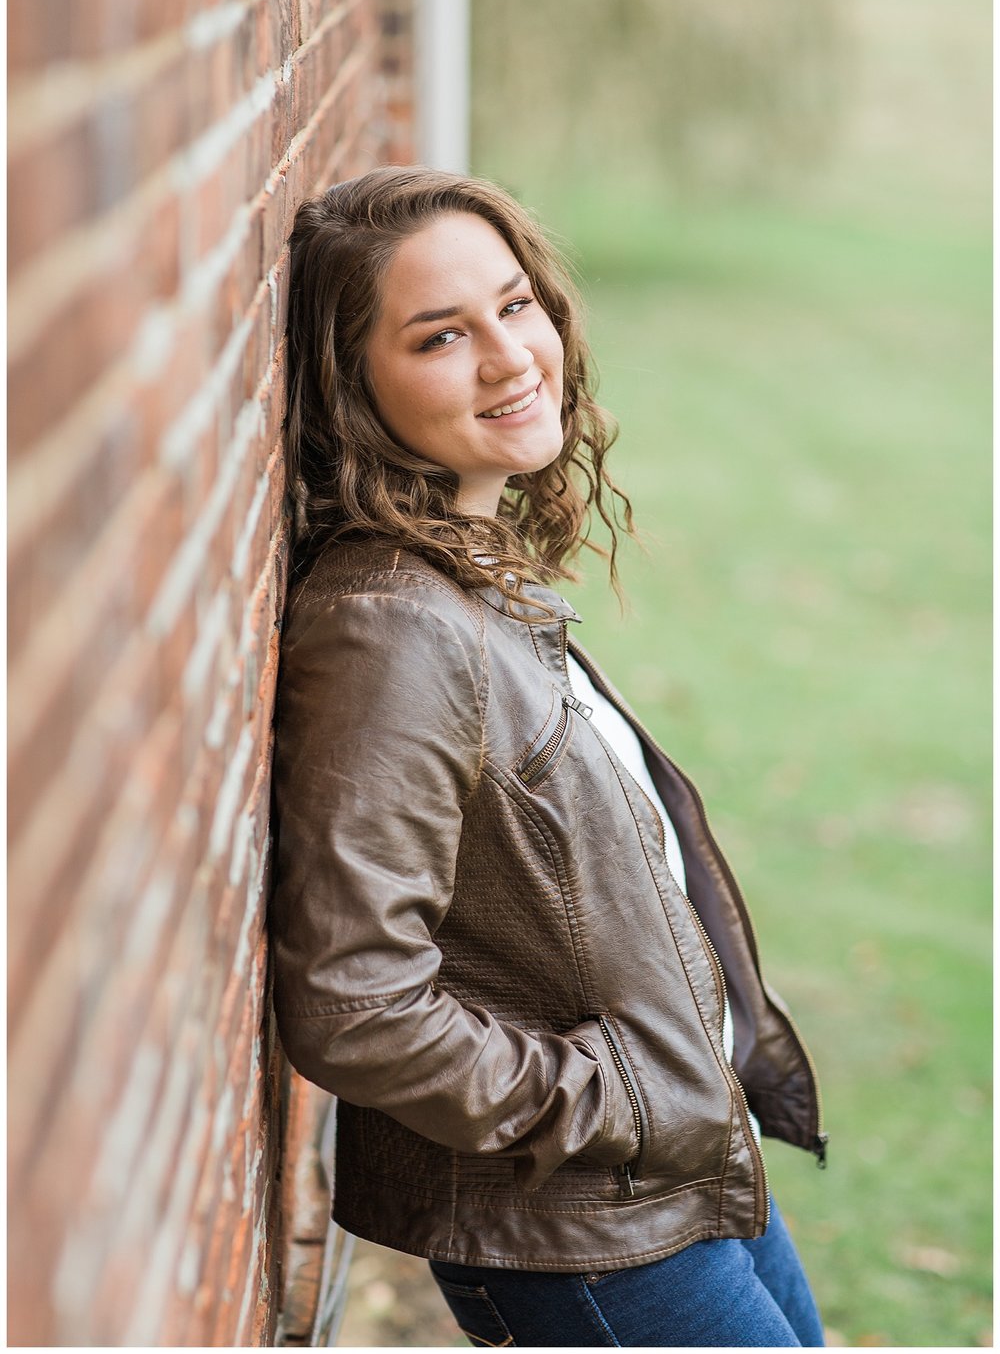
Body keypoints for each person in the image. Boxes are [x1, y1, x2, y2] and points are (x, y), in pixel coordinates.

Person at [269, 165, 828, 1347]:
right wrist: (622, 1100)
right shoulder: (391, 627)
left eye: (514, 305)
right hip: (588, 1231)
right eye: (438, 335)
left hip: (678, 1169)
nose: (510, 356)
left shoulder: (464, 573)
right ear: (352, 382)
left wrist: (677, 1098)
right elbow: (354, 1000)